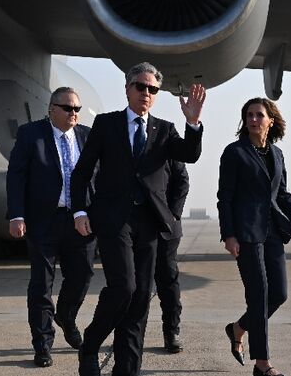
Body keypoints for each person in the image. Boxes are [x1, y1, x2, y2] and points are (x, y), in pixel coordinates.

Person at [70, 62, 205, 376]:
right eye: (141, 87)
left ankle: (127, 368)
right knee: (125, 287)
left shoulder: (165, 129)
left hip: (150, 223)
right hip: (113, 220)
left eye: (153, 89)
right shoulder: (106, 125)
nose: (146, 93)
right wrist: (79, 211)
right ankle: (91, 344)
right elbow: (82, 173)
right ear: (128, 88)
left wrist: (193, 122)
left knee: (141, 297)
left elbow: (190, 154)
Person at [217, 97, 291, 376]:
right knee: (259, 296)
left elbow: (282, 195)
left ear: (270, 121)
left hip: (273, 232)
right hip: (246, 234)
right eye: (249, 115)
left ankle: (238, 328)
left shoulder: (276, 154)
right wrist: (229, 235)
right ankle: (262, 365)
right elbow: (224, 198)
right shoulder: (234, 153)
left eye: (259, 115)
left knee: (279, 294)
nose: (253, 119)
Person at [5, 87, 97, 368]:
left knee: (82, 276)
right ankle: (43, 344)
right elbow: (16, 175)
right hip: (43, 221)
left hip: (80, 220)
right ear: (52, 109)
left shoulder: (87, 136)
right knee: (41, 285)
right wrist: (16, 215)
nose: (74, 114)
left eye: (77, 109)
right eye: (68, 108)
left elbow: (100, 176)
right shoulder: (31, 134)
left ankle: (66, 316)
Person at [154, 159, 189, 353]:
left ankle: (171, 332)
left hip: (167, 225)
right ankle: (130, 335)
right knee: (132, 285)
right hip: (134, 226)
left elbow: (182, 179)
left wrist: (173, 214)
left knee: (168, 279)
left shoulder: (166, 138)